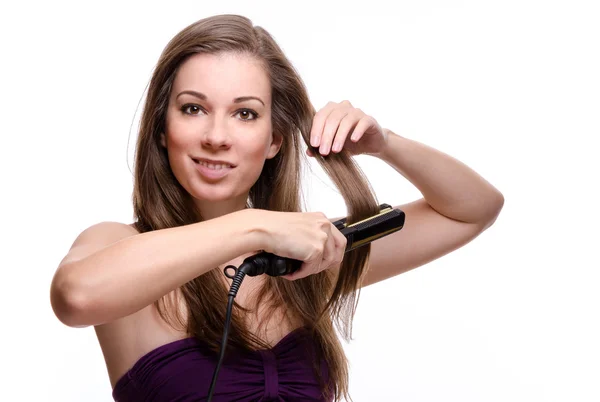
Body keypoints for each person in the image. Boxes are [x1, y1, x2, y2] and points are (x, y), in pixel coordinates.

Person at [50, 14, 504, 402]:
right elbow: (76, 297)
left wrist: (387, 144)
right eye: (193, 109)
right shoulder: (118, 245)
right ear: (162, 129)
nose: (216, 135)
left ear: (275, 140)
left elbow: (472, 209)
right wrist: (251, 227)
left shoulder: (307, 260)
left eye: (245, 113)